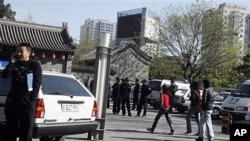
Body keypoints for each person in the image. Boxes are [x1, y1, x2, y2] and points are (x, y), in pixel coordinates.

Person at [1, 42, 42, 141]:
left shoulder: (35, 65)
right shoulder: (14, 64)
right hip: (12, 101)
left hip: (27, 102)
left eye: (21, 51)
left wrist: (32, 99)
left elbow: (37, 84)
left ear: (28, 52)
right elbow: (5, 76)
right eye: (17, 51)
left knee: (26, 130)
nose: (18, 53)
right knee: (10, 130)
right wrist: (11, 62)